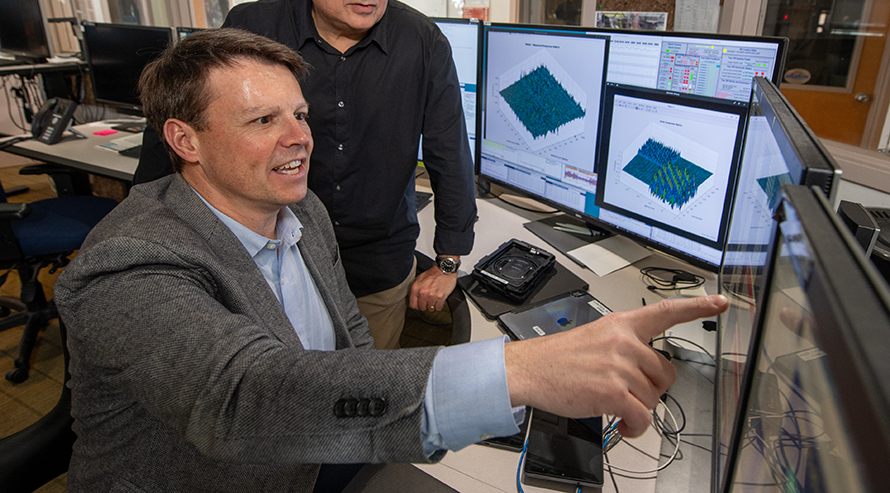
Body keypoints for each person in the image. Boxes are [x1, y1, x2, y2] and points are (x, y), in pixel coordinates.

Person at [56, 28, 728, 492]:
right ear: (185, 140)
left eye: (300, 114)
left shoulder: (301, 211)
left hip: (320, 452)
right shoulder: (129, 264)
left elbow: (349, 346)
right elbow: (245, 397)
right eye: (263, 121)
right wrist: (520, 370)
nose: (299, 138)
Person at [134, 0, 474, 350]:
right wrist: (143, 235)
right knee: (274, 386)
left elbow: (449, 154)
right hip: (265, 260)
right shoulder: (252, 28)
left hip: (375, 265)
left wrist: (449, 260)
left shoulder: (422, 43)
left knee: (364, 384)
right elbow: (176, 128)